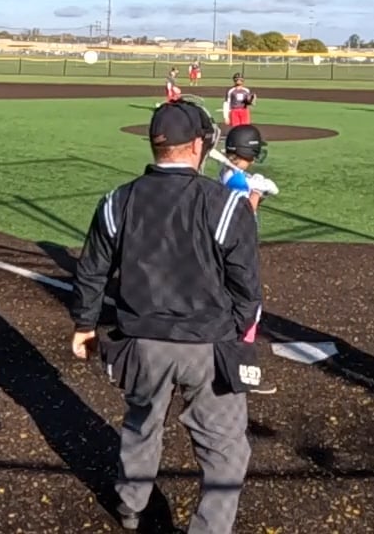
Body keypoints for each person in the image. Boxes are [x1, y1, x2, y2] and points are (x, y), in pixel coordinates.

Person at [71, 100, 261, 533]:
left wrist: (84, 324)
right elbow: (247, 286)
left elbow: (92, 270)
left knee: (142, 424)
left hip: (141, 341)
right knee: (225, 449)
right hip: (208, 344)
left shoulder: (117, 201)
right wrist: (235, 333)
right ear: (196, 146)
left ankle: (130, 504)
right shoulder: (225, 204)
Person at [215, 124, 280, 395]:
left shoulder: (229, 173)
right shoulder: (237, 181)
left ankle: (225, 361)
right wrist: (257, 193)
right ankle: (241, 367)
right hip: (239, 250)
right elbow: (245, 216)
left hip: (227, 248)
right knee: (248, 308)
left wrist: (255, 189)